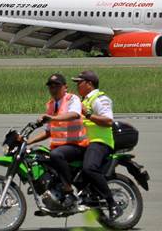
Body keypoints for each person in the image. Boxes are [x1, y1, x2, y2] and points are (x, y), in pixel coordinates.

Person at [25, 73, 89, 208]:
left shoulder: (72, 99)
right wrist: (28, 141)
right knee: (39, 157)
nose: (53, 88)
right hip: (60, 147)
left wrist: (51, 118)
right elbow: (48, 131)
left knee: (55, 155)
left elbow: (74, 114)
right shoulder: (51, 104)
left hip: (77, 145)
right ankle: (52, 193)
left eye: (57, 86)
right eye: (51, 86)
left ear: (65, 87)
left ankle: (69, 191)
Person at [72, 70, 122, 219]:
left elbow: (108, 121)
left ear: (89, 84)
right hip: (84, 143)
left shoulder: (99, 99)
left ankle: (112, 204)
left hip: (100, 142)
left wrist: (87, 114)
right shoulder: (84, 101)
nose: (77, 86)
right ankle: (82, 195)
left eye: (79, 82)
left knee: (89, 168)